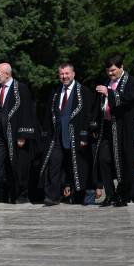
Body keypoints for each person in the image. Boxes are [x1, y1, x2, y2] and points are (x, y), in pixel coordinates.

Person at [0, 62, 36, 207]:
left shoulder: (21, 89)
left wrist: (23, 134)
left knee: (19, 166)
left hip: (16, 134)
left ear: (6, 73)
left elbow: (26, 112)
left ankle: (22, 195)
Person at [90, 54, 134, 207]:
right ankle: (110, 194)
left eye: (113, 70)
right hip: (106, 128)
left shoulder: (133, 82)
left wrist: (109, 93)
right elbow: (98, 106)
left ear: (121, 67)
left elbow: (127, 100)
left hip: (124, 129)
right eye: (108, 71)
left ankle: (122, 196)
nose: (110, 74)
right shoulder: (107, 82)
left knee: (125, 161)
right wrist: (93, 125)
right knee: (103, 160)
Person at [40, 62, 91, 206]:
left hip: (75, 137)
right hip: (57, 136)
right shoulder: (55, 92)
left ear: (73, 74)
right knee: (54, 164)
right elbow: (48, 116)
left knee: (77, 166)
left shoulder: (84, 91)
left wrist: (84, 135)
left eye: (67, 73)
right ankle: (52, 196)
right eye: (61, 74)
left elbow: (88, 115)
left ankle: (80, 197)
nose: (64, 76)